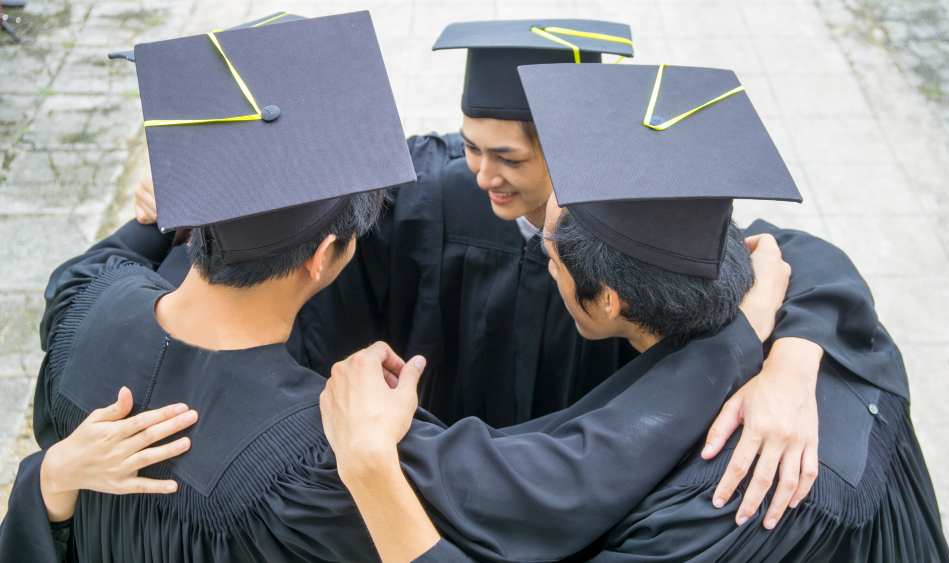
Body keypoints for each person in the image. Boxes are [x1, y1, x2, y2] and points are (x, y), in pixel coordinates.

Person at [0, 13, 790, 563]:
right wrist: (737, 346)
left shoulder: (81, 307)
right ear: (327, 257)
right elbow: (551, 478)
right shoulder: (323, 457)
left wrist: (47, 480)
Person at [140, 17, 896, 524]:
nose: (483, 175)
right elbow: (308, 191)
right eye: (472, 144)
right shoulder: (439, 187)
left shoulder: (637, 217)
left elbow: (801, 261)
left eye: (509, 157)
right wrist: (193, 185)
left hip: (587, 480)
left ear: (571, 151)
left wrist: (794, 362)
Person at [316, 62, 949, 562]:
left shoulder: (723, 497)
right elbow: (806, 258)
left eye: (553, 258)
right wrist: (791, 349)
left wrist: (372, 460)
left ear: (608, 301)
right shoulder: (840, 335)